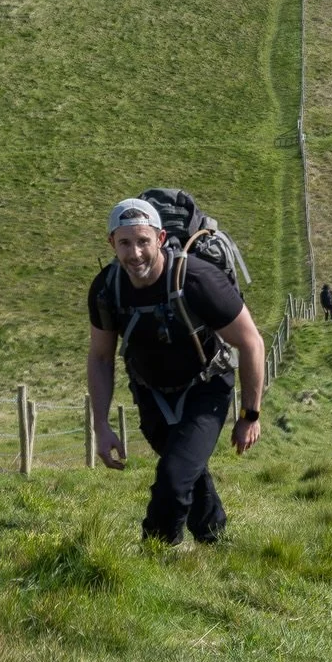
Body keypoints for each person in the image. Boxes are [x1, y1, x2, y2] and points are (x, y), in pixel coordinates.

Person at [86, 198, 265, 546]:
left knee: (173, 477)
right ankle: (213, 538)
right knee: (187, 471)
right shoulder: (107, 288)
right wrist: (101, 425)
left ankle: (156, 551)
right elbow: (100, 357)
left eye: (143, 241)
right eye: (125, 243)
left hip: (206, 388)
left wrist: (249, 415)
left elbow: (252, 343)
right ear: (112, 244)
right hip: (150, 393)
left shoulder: (197, 280)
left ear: (160, 238)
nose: (135, 253)